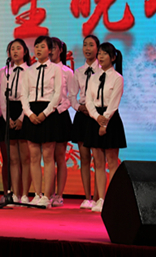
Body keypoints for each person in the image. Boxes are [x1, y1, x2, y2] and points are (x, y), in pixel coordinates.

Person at [19, 36, 62, 209]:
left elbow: (57, 94)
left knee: (48, 156)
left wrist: (45, 113)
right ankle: (37, 194)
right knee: (34, 156)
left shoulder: (56, 70)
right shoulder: (29, 71)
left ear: (50, 50)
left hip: (48, 113)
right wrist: (29, 114)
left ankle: (47, 195)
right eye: (36, 46)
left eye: (42, 46)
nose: (38, 49)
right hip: (31, 112)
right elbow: (24, 95)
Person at [84, 42, 126, 213]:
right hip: (95, 119)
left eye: (104, 54)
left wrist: (105, 121)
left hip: (111, 119)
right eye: (99, 53)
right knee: (98, 162)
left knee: (112, 161)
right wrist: (97, 117)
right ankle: (101, 198)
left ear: (113, 57)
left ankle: (113, 199)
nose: (100, 56)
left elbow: (114, 103)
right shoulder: (93, 77)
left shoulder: (117, 78)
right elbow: (88, 100)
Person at [0, 38, 32, 205]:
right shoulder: (5, 72)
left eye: (18, 48)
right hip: (9, 111)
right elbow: (1, 97)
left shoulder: (30, 71)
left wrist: (21, 118)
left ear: (25, 51)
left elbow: (30, 95)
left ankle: (25, 194)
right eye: (12, 49)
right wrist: (7, 118)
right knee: (13, 159)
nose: (15, 51)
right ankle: (15, 193)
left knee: (25, 158)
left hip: (24, 111)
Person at [71, 34, 101, 209]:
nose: (87, 49)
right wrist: (78, 107)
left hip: (96, 115)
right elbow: (71, 95)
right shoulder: (78, 72)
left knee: (98, 158)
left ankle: (98, 197)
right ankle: (87, 197)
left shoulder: (102, 71)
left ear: (98, 49)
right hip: (83, 115)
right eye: (85, 45)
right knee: (84, 157)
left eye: (91, 45)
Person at [50, 37, 78, 207]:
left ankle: (59, 195)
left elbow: (71, 97)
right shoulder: (41, 70)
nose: (50, 51)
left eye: (53, 48)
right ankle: (47, 193)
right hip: (45, 115)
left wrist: (58, 108)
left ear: (60, 50)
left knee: (59, 157)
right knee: (47, 157)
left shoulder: (67, 71)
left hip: (60, 116)